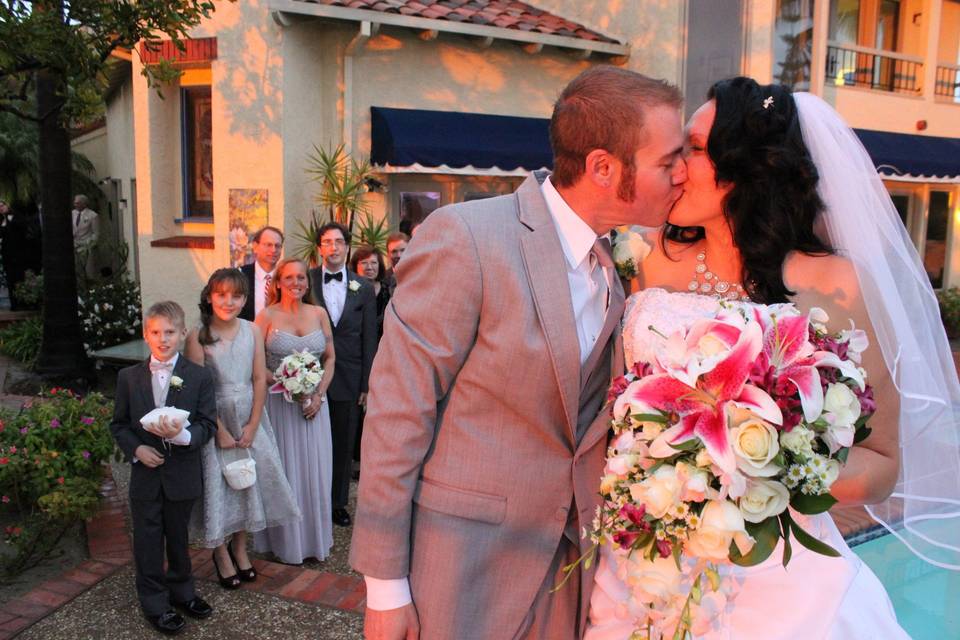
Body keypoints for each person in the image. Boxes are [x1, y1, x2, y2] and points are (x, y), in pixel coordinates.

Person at [583, 77, 954, 638]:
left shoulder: (838, 285)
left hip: (778, 579)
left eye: (697, 149)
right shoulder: (646, 259)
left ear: (749, 167)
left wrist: (762, 469)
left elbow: (881, 462)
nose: (677, 166)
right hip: (646, 558)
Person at [350, 65, 687, 640]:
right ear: (604, 167)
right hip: (461, 570)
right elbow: (398, 412)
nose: (681, 173)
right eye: (667, 160)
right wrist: (385, 587)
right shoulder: (468, 238)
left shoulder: (622, 264)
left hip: (569, 569)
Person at [185, 269, 300, 588]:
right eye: (221, 294)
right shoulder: (198, 336)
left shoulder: (251, 331)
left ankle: (240, 547)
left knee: (248, 481)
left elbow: (260, 378)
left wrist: (252, 423)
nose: (229, 301)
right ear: (209, 296)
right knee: (220, 484)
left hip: (250, 415)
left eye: (236, 296)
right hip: (215, 418)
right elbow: (196, 388)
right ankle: (220, 551)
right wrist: (217, 428)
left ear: (245, 299)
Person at [109, 301, 217, 635]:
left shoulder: (199, 376)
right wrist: (138, 448)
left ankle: (182, 590)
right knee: (147, 538)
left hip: (181, 473)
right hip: (145, 475)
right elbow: (119, 425)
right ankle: (154, 600)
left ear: (183, 334)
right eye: (156, 332)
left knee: (179, 537)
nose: (163, 338)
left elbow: (207, 424)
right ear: (146, 334)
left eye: (170, 332)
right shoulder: (128, 377)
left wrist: (184, 436)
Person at [253, 258, 336, 564]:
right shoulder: (266, 317)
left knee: (315, 470)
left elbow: (330, 358)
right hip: (280, 406)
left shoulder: (319, 313)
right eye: (289, 278)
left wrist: (316, 393)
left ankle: (314, 541)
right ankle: (286, 544)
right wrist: (287, 383)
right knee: (286, 472)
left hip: (315, 407)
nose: (296, 283)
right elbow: (256, 362)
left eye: (301, 277)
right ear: (277, 283)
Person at [308, 223, 377, 528]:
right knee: (309, 443)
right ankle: (311, 500)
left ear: (347, 247)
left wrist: (367, 384)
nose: (333, 248)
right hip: (307, 375)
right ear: (319, 248)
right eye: (327, 242)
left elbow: (369, 339)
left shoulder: (362, 287)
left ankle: (337, 503)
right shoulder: (305, 281)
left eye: (338, 242)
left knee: (343, 444)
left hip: (349, 377)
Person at [0, 199, 42, 310]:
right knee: (10, 281)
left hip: (19, 257)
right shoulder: (2, 220)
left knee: (20, 279)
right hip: (8, 257)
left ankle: (25, 304)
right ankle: (14, 304)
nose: (1, 208)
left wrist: (9, 219)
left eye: (2, 205)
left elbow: (22, 229)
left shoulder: (17, 217)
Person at [239, 226, 284, 321]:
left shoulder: (285, 277)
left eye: (277, 246)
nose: (273, 250)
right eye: (268, 245)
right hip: (249, 334)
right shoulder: (240, 275)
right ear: (255, 247)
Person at [350, 245, 390, 339]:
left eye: (374, 263)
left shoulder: (389, 291)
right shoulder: (349, 291)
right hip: (356, 346)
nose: (369, 267)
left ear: (379, 265)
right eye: (364, 263)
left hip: (383, 346)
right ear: (355, 266)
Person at [71, 194, 99, 279]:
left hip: (86, 247)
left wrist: (87, 244)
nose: (75, 205)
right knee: (76, 271)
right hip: (74, 246)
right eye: (75, 203)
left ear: (84, 204)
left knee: (88, 272)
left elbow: (96, 234)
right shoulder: (72, 214)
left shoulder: (93, 215)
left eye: (78, 203)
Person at [383, 232, 408, 297]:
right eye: (394, 251)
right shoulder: (383, 279)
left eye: (403, 250)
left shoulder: (419, 274)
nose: (399, 255)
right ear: (388, 254)